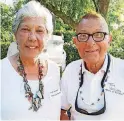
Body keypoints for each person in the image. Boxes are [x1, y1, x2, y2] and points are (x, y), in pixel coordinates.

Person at [1, 1, 61, 120]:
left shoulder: (54, 70)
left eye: (39, 31)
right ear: (15, 34)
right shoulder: (1, 70)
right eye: (25, 29)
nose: (32, 37)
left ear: (47, 36)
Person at [60, 11, 124, 120]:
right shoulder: (71, 70)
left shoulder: (121, 69)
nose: (90, 42)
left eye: (99, 34)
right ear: (75, 42)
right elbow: (61, 111)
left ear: (109, 40)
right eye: (83, 35)